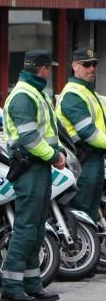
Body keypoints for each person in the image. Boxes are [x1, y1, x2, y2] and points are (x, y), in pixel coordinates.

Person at [0, 50, 67, 301]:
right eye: (48, 68)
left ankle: (31, 282)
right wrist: (54, 156)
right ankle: (11, 286)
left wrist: (56, 152)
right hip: (29, 168)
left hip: (39, 168)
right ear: (42, 69)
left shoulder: (35, 93)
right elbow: (30, 139)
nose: (49, 72)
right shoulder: (24, 96)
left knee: (37, 227)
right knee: (26, 227)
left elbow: (47, 133)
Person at [56, 48, 106, 222]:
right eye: (87, 65)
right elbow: (88, 133)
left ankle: (93, 247)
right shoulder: (73, 94)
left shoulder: (87, 91)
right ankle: (79, 248)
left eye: (94, 64)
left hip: (94, 157)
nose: (92, 68)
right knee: (82, 211)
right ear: (75, 66)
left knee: (91, 209)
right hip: (82, 159)